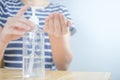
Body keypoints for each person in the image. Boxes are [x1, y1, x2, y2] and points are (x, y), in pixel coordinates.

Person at [0, 0, 76, 70]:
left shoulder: (60, 11)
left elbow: (64, 66)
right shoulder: (4, 7)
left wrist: (57, 39)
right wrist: (2, 41)